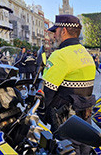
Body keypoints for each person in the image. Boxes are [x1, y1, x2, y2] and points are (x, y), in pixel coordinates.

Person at [40, 15, 96, 154]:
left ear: (63, 31)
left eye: (55, 31)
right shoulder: (86, 54)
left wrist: (39, 113)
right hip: (85, 120)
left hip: (66, 124)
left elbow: (46, 92)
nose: (54, 36)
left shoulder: (60, 55)